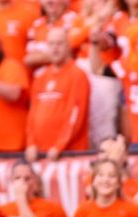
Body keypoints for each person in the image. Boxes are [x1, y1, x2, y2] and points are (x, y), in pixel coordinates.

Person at [25, 28, 90, 162]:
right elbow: (32, 115)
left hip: (68, 154)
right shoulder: (40, 78)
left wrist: (59, 146)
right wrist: (30, 144)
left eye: (59, 44)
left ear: (68, 46)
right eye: (51, 44)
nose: (55, 49)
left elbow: (76, 115)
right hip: (40, 154)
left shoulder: (78, 75)